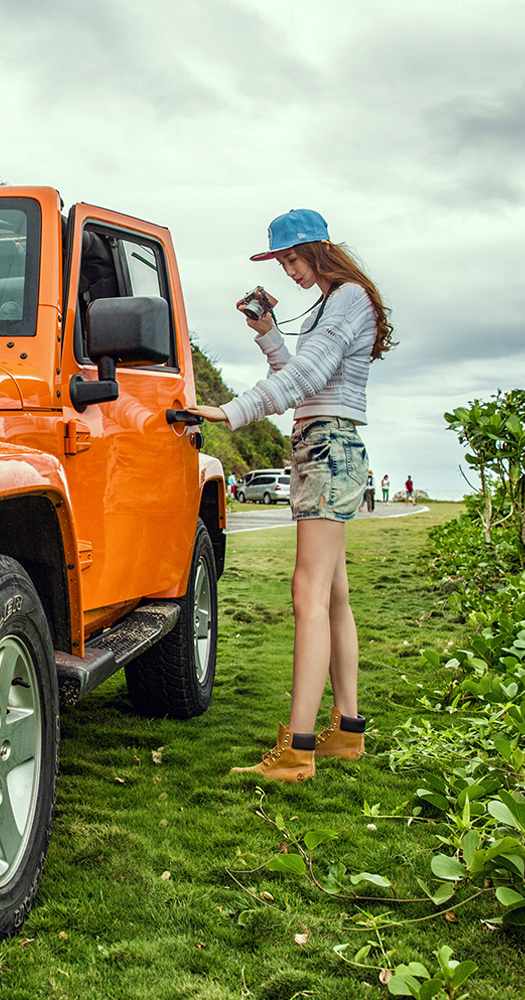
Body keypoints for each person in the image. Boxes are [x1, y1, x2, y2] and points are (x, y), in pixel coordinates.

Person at [190, 208, 394, 782]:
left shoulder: (348, 297)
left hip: (328, 444)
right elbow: (302, 370)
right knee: (331, 596)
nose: (289, 271)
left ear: (320, 250)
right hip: (321, 442)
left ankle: (298, 748)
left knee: (308, 593)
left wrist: (233, 410)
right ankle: (346, 733)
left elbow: (305, 380)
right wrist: (268, 335)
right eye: (281, 263)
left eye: (293, 259)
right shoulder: (334, 304)